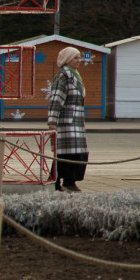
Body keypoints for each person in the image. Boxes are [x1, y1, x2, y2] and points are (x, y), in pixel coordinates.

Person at [47, 46, 88, 192]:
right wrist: (52, 121)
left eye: (79, 57)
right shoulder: (63, 76)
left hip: (75, 122)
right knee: (64, 154)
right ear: (67, 60)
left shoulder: (75, 75)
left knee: (76, 153)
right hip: (66, 123)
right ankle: (57, 183)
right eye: (75, 58)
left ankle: (69, 181)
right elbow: (56, 99)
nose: (79, 60)